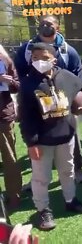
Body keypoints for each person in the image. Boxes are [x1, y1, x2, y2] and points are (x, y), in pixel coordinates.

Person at [18, 43, 82, 230]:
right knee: (41, 177)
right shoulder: (28, 84)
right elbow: (26, 117)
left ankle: (70, 200)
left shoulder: (65, 76)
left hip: (66, 135)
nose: (39, 62)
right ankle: (43, 209)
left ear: (54, 59)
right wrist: (31, 142)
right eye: (35, 58)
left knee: (67, 171)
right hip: (42, 139)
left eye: (44, 58)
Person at [14, 15, 82, 186]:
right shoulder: (27, 49)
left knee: (71, 134)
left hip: (63, 102)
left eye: (50, 24)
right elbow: (19, 73)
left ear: (58, 27)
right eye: (42, 24)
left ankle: (77, 169)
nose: (45, 26)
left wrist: (75, 98)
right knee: (35, 139)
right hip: (38, 102)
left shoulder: (68, 50)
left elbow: (77, 76)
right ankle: (36, 176)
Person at [0, 45, 21, 209]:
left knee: (9, 157)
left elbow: (17, 85)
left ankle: (14, 194)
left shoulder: (5, 59)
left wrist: (11, 81)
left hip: (3, 115)